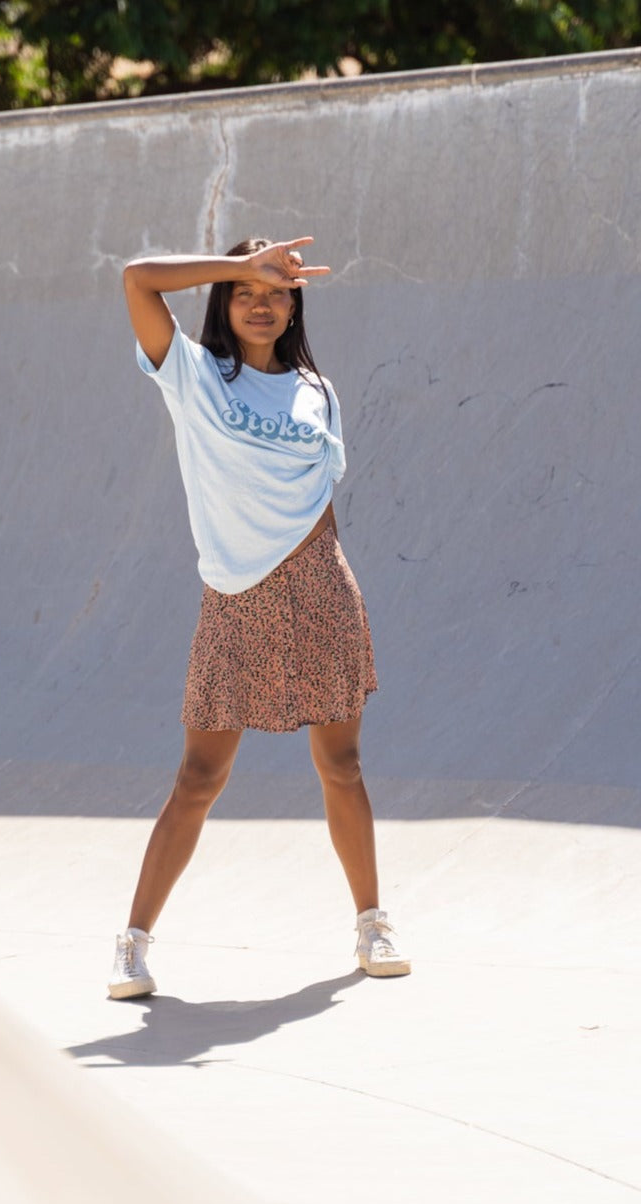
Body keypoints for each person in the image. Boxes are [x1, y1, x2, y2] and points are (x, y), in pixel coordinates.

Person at [109, 235, 410, 1000]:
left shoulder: (318, 391)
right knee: (199, 776)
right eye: (248, 292)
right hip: (236, 594)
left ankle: (373, 923)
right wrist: (239, 263)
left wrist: (335, 588)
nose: (262, 303)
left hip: (317, 584)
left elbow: (322, 499)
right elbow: (137, 280)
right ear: (225, 299)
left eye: (277, 291)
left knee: (341, 766)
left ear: (295, 303)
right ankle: (134, 942)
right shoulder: (194, 373)